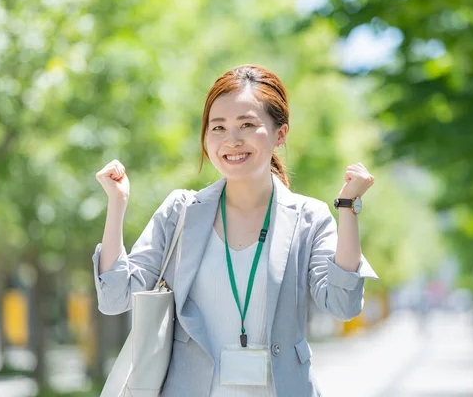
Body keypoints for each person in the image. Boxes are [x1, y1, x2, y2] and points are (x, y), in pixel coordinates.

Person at [93, 64, 379, 397]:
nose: (232, 140)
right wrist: (117, 204)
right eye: (218, 127)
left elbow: (343, 305)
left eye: (247, 125)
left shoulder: (308, 218)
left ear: (280, 133)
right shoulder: (180, 212)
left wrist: (348, 208)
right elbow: (114, 299)